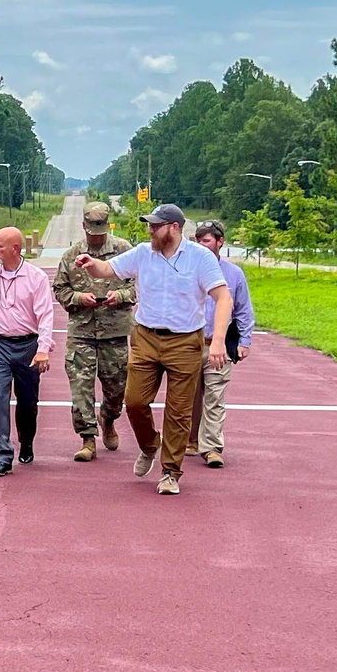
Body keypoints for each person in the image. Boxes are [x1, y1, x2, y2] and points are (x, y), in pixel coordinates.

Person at [75, 203, 232, 496]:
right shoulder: (144, 253)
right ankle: (150, 445)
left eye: (155, 225)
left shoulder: (200, 258)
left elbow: (223, 298)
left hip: (185, 341)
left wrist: (219, 340)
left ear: (174, 228)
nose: (150, 230)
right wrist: (91, 263)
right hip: (146, 336)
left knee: (179, 411)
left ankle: (170, 471)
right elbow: (108, 269)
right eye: (149, 225)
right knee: (133, 401)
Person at [0, 226, 54, 477]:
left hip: (28, 346)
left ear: (15, 249)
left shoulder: (36, 278)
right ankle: (2, 456)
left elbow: (46, 316)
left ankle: (26, 441)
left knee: (27, 403)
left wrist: (43, 349)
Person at [53, 202, 136, 462]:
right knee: (81, 388)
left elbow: (139, 286)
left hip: (115, 331)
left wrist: (119, 295)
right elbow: (59, 289)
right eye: (92, 231)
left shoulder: (124, 251)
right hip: (82, 331)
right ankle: (87, 438)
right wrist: (78, 298)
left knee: (117, 388)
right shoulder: (71, 255)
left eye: (100, 232)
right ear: (84, 227)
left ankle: (108, 418)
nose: (96, 236)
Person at [187, 219, 255, 468]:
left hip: (219, 345)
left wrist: (244, 341)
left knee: (214, 396)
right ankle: (189, 440)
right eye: (198, 240)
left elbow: (243, 310)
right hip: (188, 343)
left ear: (220, 242)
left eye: (207, 240)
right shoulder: (187, 269)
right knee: (187, 397)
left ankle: (212, 448)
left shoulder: (233, 274)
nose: (202, 245)